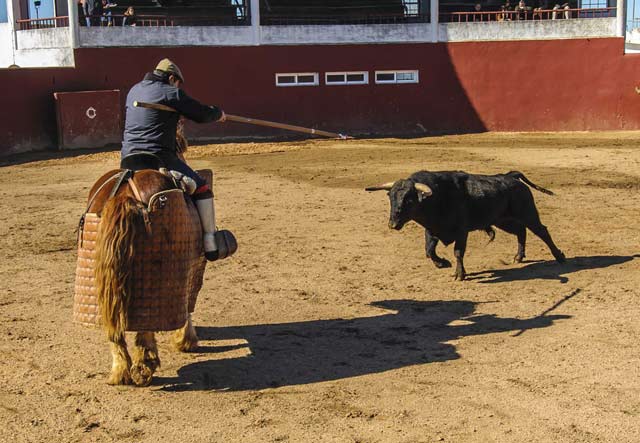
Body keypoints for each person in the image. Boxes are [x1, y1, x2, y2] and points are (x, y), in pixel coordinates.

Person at [122, 58, 227, 261]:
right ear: (172, 78)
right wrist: (218, 113)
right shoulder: (170, 92)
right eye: (178, 82)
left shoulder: (134, 90)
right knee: (202, 188)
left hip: (128, 159)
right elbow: (201, 113)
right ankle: (210, 242)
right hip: (158, 158)